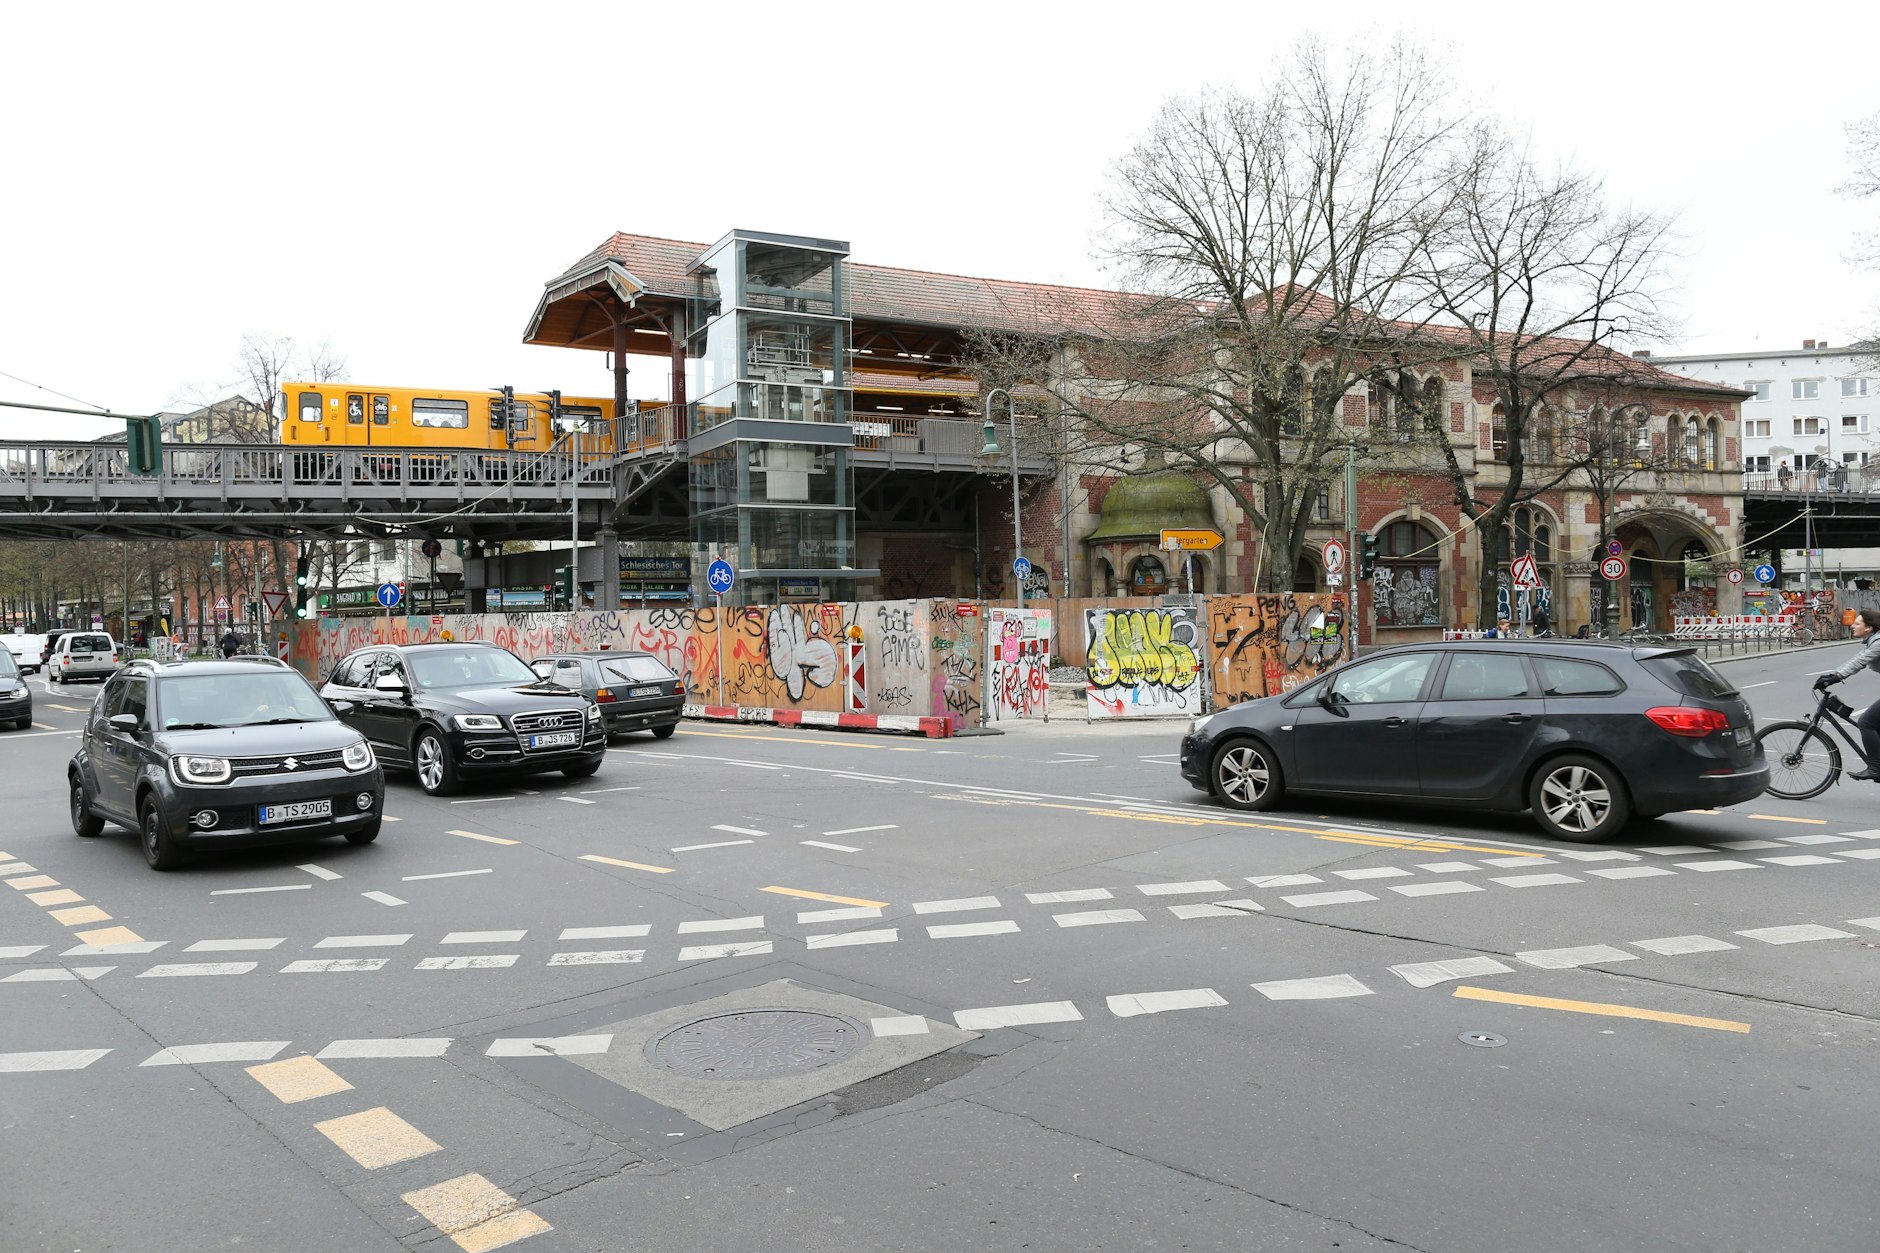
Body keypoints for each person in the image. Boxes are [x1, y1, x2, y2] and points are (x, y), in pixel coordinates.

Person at [1814, 607, 1880, 781]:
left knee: (1866, 722)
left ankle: (1876, 768)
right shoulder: (1873, 641)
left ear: (1869, 628)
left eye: (1857, 623)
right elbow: (1858, 658)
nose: (1852, 625)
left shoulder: (1879, 642)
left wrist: (1836, 677)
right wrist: (1833, 674)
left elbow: (1861, 661)